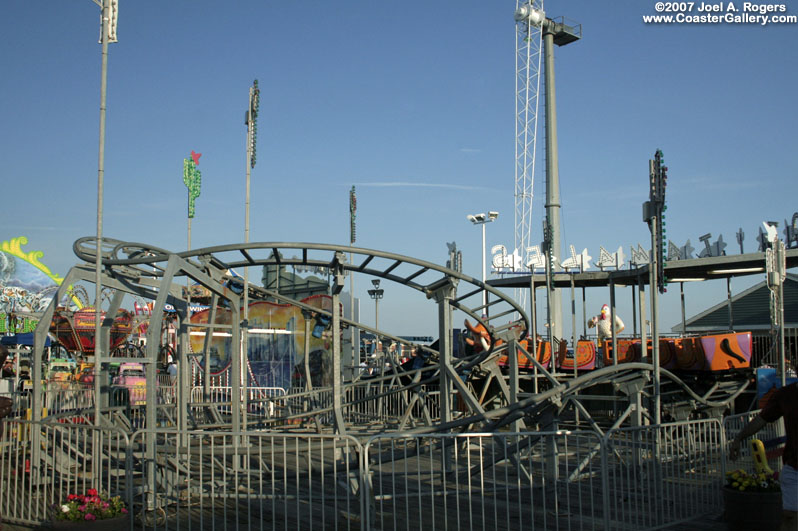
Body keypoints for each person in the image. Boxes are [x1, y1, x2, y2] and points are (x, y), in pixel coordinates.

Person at [730, 381, 798, 530]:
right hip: (794, 466)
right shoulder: (785, 395)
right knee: (790, 516)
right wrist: (739, 437)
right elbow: (762, 419)